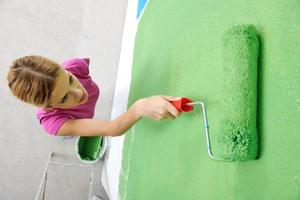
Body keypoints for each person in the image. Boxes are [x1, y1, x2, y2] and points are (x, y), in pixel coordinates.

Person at [7, 55, 180, 137]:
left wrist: (69, 85)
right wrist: (139, 108)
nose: (79, 92)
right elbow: (110, 128)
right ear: (49, 107)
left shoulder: (75, 65)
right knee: (72, 131)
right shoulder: (56, 123)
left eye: (70, 79)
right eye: (64, 98)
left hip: (78, 116)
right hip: (69, 125)